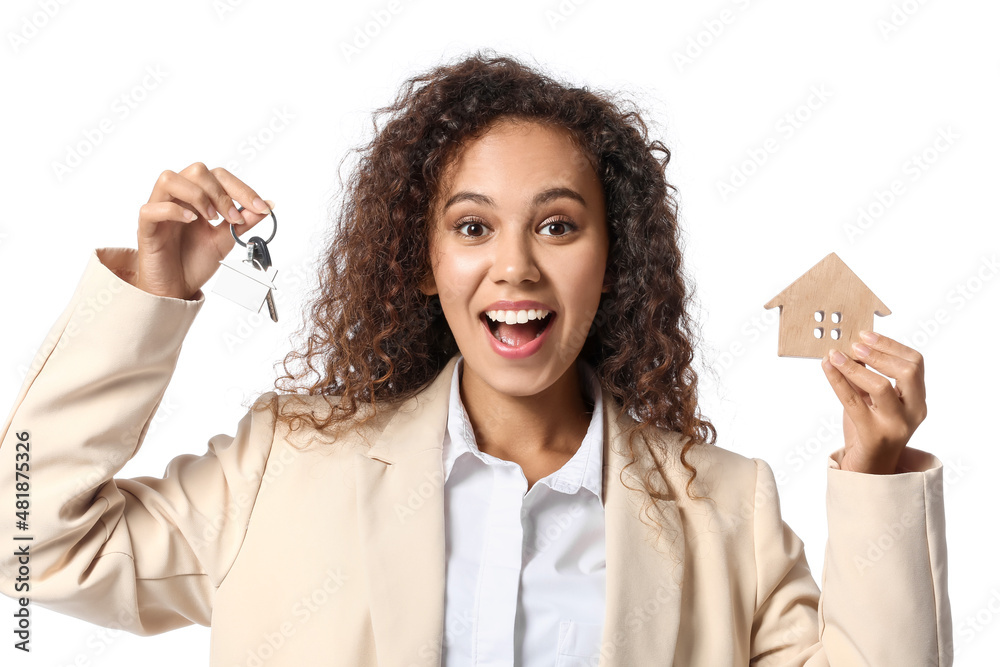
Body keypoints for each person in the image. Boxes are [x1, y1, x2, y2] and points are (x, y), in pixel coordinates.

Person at [0, 50, 952, 666]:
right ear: (423, 261)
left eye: (557, 224)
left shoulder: (724, 512)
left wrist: (876, 474)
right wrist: (151, 297)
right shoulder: (283, 466)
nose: (515, 266)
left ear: (612, 261)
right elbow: (29, 542)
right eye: (471, 226)